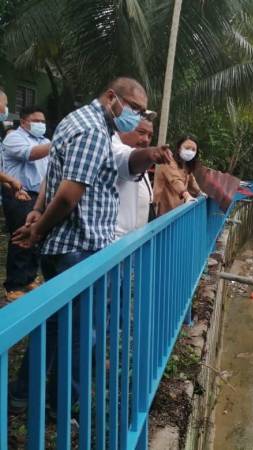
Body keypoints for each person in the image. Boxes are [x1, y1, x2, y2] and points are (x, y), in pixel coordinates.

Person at [9, 77, 170, 414]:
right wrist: (38, 230)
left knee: (53, 326)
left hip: (64, 247)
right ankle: (62, 405)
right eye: (135, 108)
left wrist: (38, 214)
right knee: (83, 335)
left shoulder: (75, 121)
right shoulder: (94, 131)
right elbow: (67, 195)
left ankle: (23, 393)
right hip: (79, 248)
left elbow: (57, 176)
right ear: (112, 98)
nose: (138, 116)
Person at [1, 106, 51, 300]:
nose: (41, 124)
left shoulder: (46, 141)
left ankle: (29, 277)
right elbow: (31, 154)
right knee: (20, 238)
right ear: (23, 122)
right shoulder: (14, 138)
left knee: (36, 237)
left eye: (43, 121)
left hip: (39, 197)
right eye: (37, 121)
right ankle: (14, 285)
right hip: (19, 194)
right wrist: (60, 143)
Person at [113, 116, 171, 237]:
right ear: (123, 128)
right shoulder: (114, 148)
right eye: (141, 132)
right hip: (115, 243)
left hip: (133, 239)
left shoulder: (139, 154)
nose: (146, 140)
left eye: (150, 136)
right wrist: (151, 154)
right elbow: (129, 159)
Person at [153, 135, 203, 216]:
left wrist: (199, 192)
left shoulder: (185, 164)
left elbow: (191, 179)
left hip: (177, 208)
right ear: (179, 148)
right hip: (164, 210)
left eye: (193, 149)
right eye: (187, 148)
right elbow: (175, 180)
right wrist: (186, 195)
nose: (190, 152)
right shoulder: (169, 162)